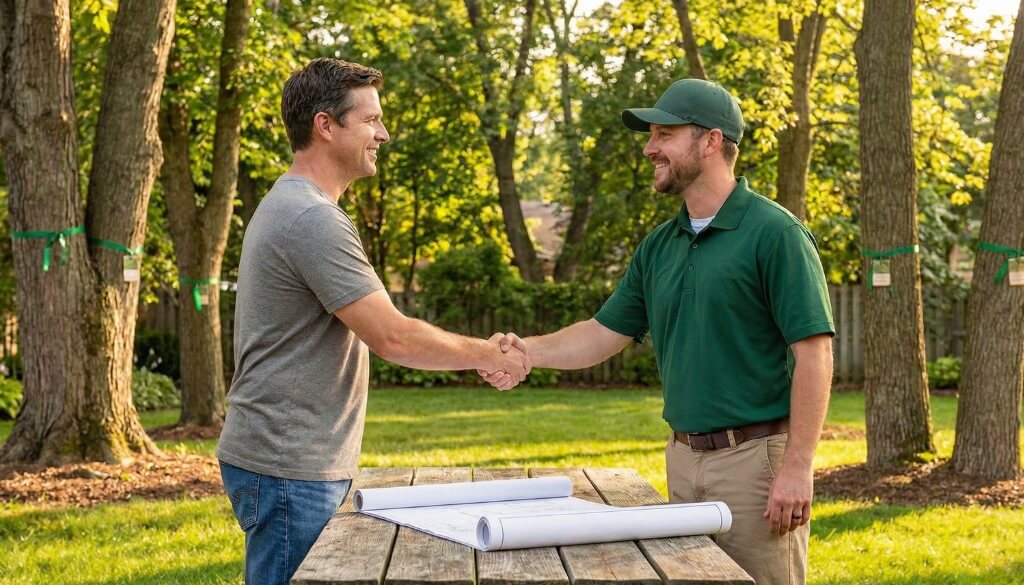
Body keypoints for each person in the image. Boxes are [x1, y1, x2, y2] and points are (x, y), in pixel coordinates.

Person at [483, 79, 834, 585]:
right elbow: (602, 334)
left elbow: (814, 354)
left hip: (755, 464)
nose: (650, 148)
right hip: (682, 459)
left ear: (711, 141)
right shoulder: (659, 245)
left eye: (664, 134)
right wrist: (521, 353)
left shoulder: (775, 234)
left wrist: (798, 468)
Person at [216, 58, 530, 585]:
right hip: (290, 466)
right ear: (325, 125)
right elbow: (392, 335)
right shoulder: (309, 218)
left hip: (289, 460)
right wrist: (488, 354)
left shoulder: (297, 206)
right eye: (370, 121)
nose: (382, 134)